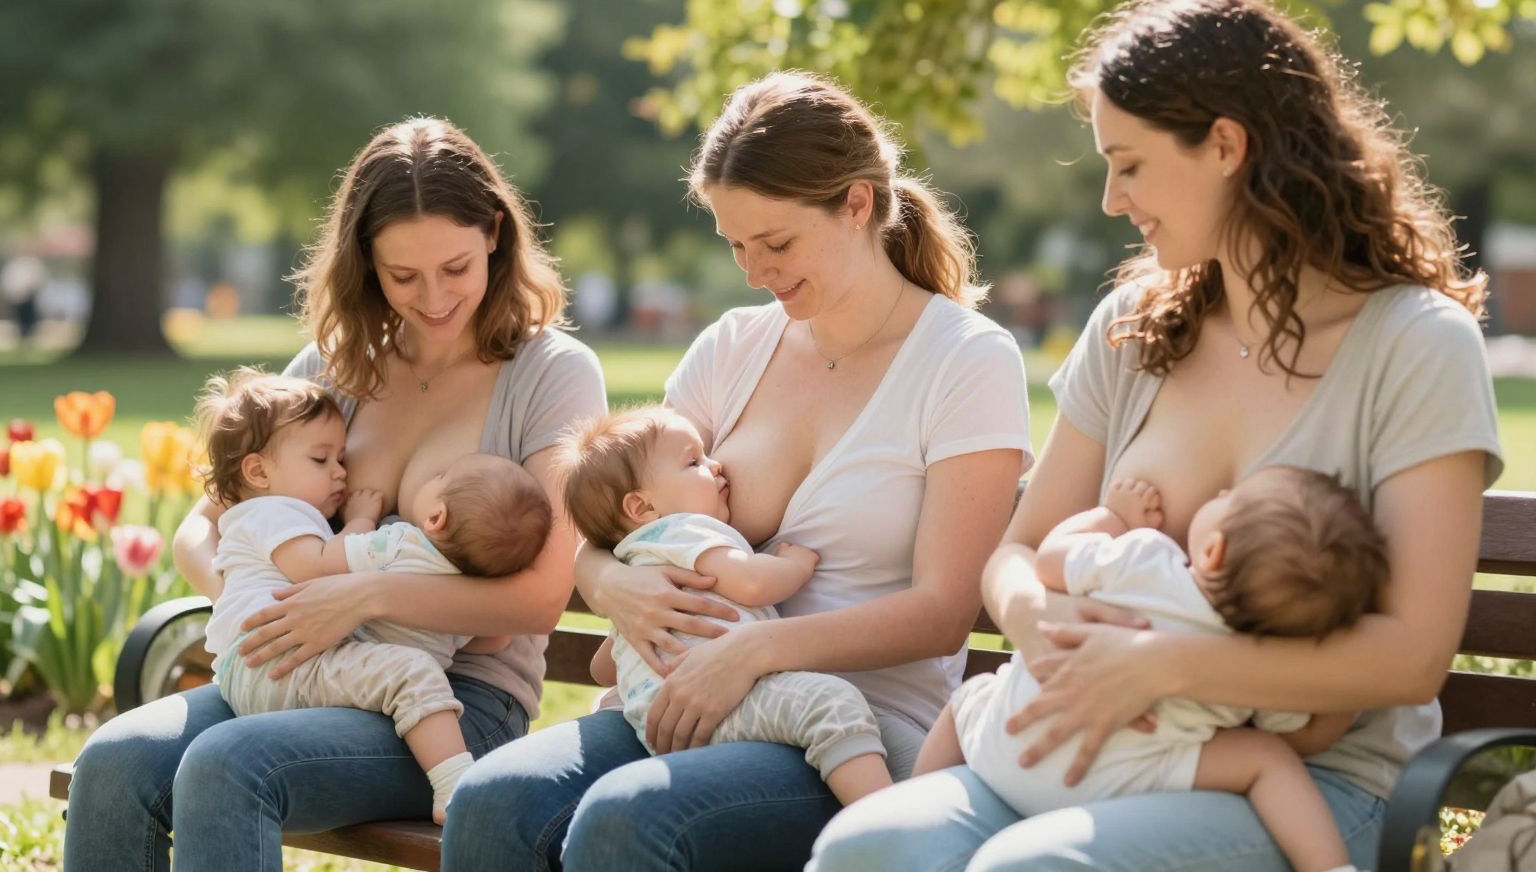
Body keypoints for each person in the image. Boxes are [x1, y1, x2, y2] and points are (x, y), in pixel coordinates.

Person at [810, 0, 1504, 871]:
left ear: (1224, 144)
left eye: (1129, 163)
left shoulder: (1414, 344)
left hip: (1310, 783)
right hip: (1075, 746)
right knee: (865, 849)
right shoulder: (1134, 328)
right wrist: (1038, 628)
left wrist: (1161, 668)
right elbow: (1015, 554)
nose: (1110, 198)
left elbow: (1410, 657)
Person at [442, 71, 1032, 871]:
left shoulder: (964, 359)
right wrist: (608, 581)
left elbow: (942, 610)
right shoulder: (733, 345)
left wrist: (752, 654)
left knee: (628, 821)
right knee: (490, 804)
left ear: (857, 204)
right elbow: (616, 510)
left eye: (777, 243)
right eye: (736, 244)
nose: (755, 270)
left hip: (850, 727)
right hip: (677, 698)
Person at [63, 117, 607, 872]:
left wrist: (357, 599)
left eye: (454, 267)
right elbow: (204, 524)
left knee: (230, 768)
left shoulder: (552, 374)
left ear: (493, 234)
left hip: (450, 705)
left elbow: (540, 596)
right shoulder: (335, 366)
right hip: (290, 673)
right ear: (365, 263)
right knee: (114, 764)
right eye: (402, 276)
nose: (435, 298)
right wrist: (263, 603)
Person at [914, 468, 1388, 872]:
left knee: (970, 697)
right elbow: (1302, 738)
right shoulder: (1252, 662)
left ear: (1212, 551)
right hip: (1119, 788)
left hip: (1009, 749)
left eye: (1230, 499)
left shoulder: (1146, 557)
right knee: (1267, 759)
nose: (1221, 493)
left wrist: (1114, 518)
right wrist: (1342, 697)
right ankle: (1331, 866)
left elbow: (1051, 561)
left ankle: (917, 797)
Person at [194, 369, 553, 822]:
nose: (341, 472)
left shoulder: (300, 511)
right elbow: (319, 565)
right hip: (275, 660)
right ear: (258, 471)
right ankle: (454, 781)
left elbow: (493, 639)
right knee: (412, 670)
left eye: (341, 457)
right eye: (321, 460)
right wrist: (363, 519)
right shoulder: (270, 512)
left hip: (285, 663)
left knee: (400, 671)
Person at [556, 405, 893, 805]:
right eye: (694, 461)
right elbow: (752, 582)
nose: (716, 466)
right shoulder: (682, 531)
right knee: (829, 704)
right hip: (721, 706)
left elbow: (603, 668)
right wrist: (795, 564)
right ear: (642, 508)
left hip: (656, 723)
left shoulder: (639, 567)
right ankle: (881, 822)